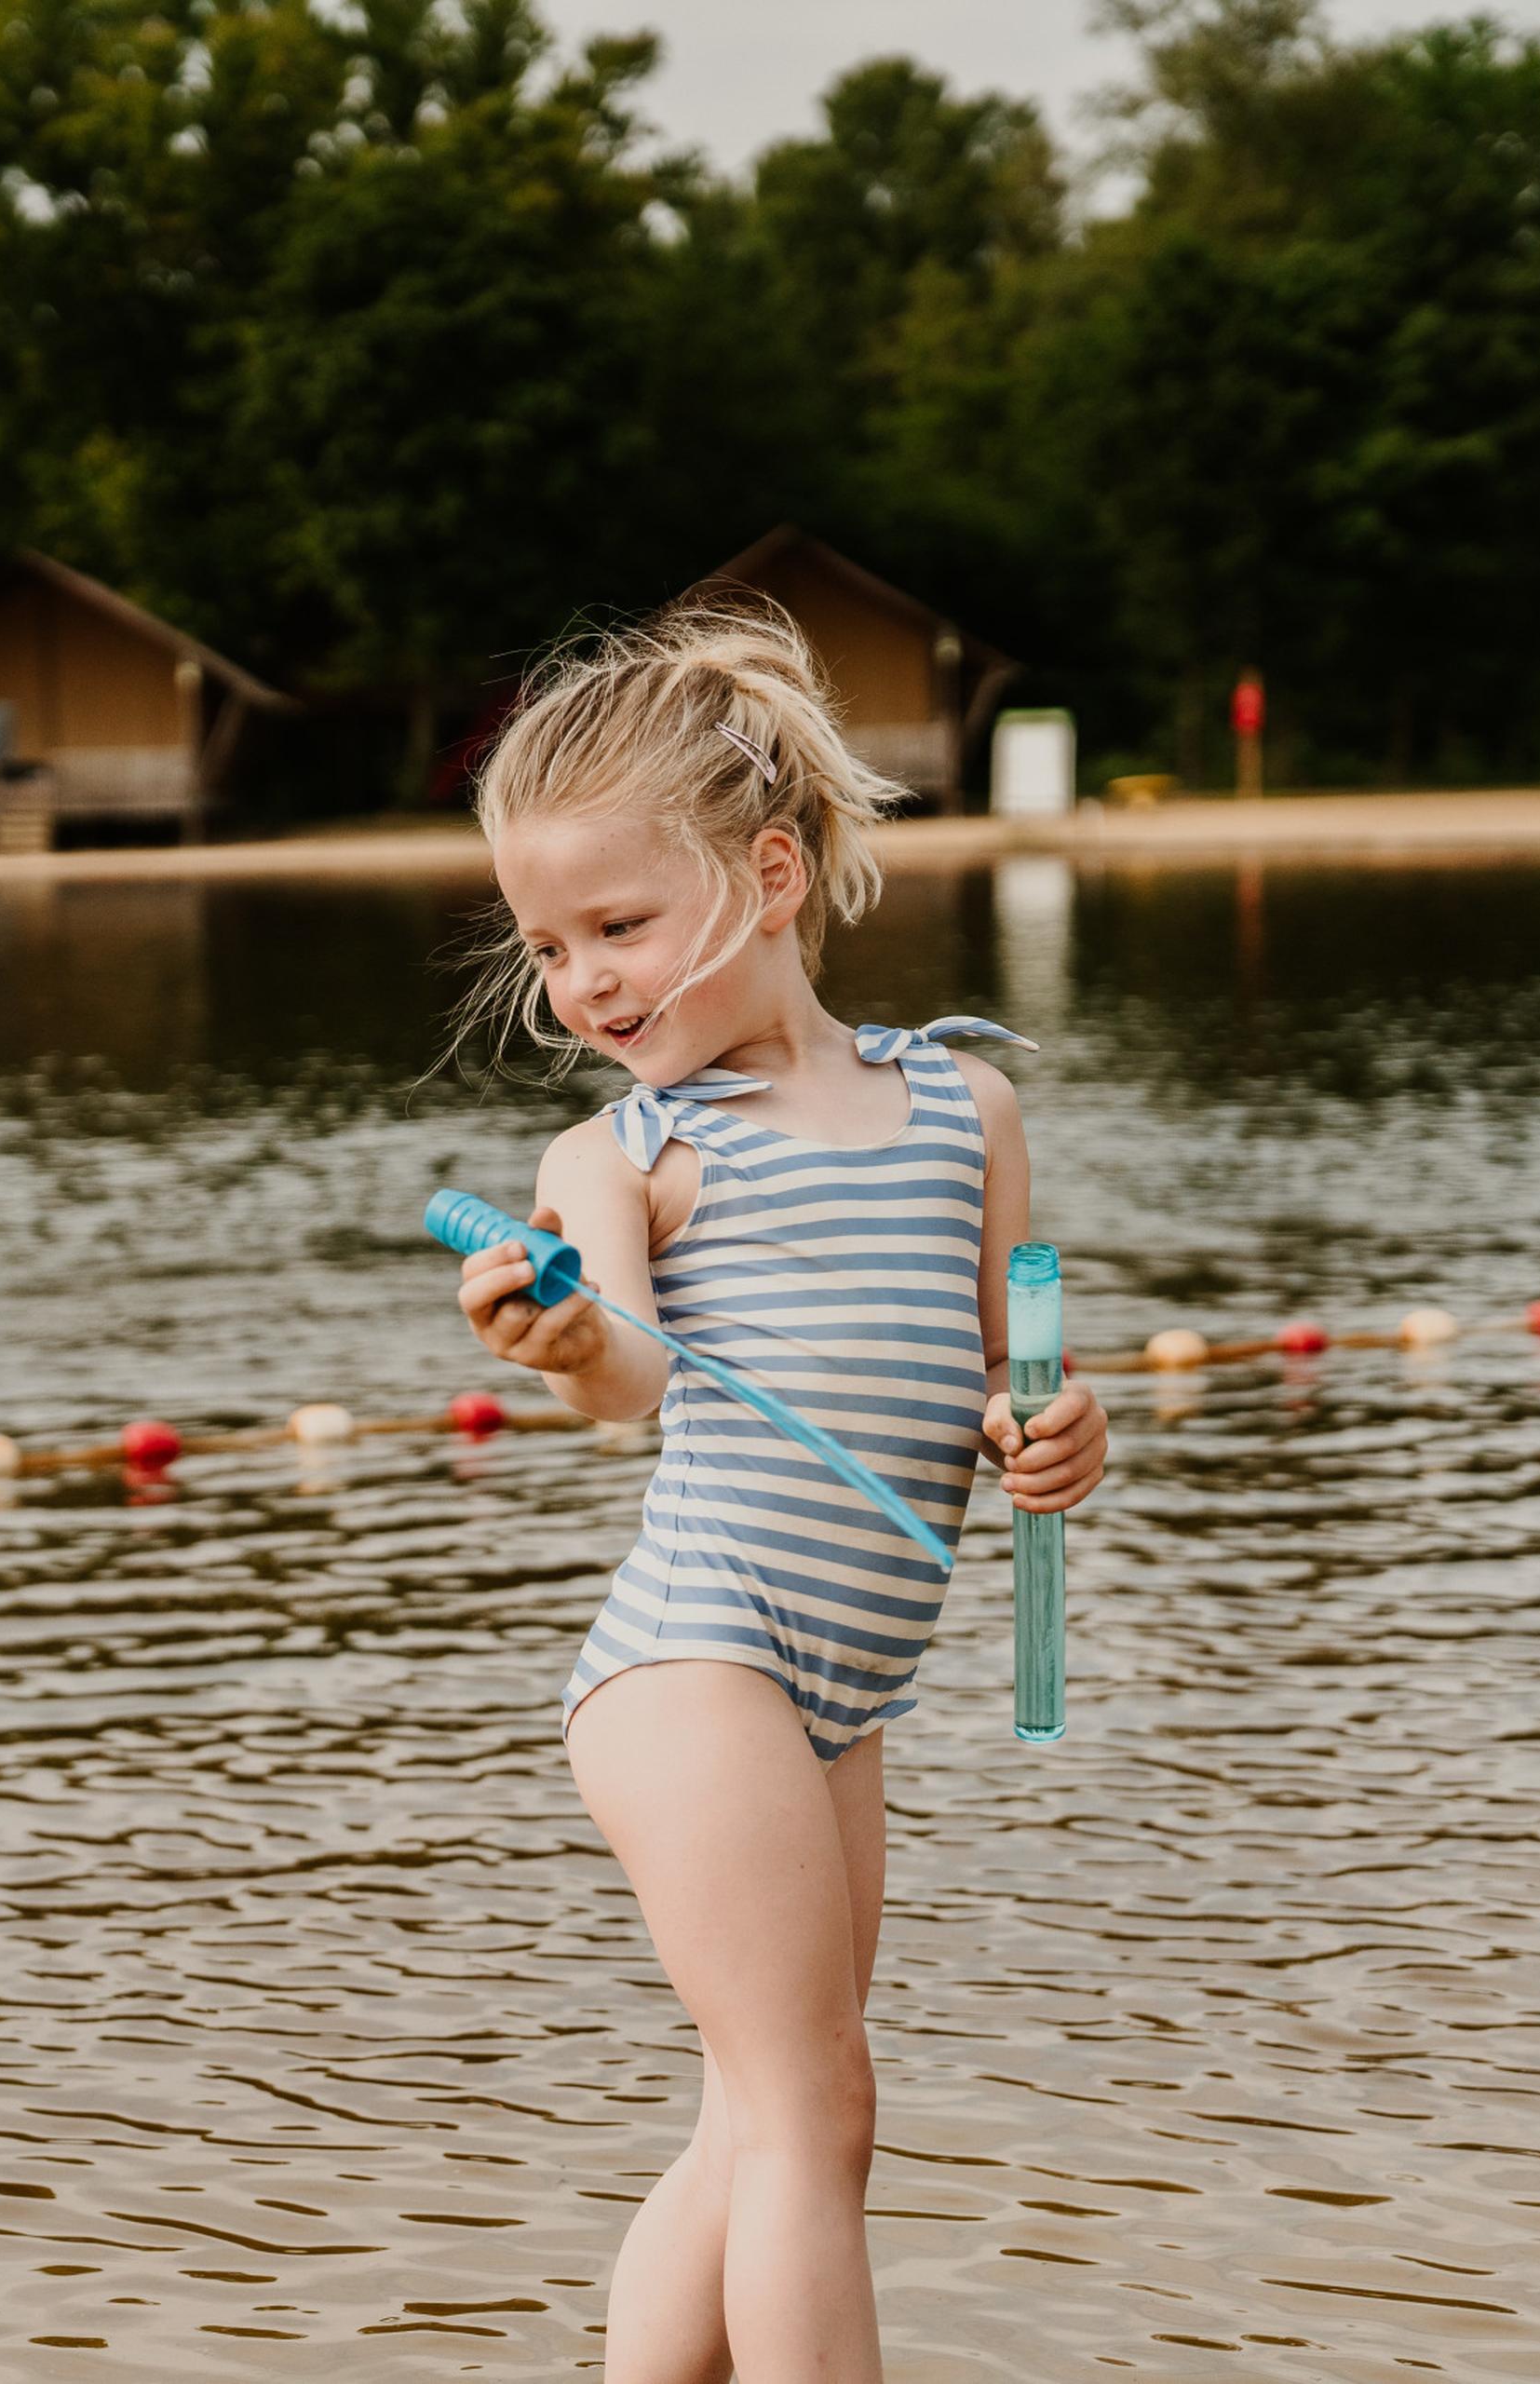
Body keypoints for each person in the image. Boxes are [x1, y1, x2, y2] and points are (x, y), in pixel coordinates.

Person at [448, 603, 1107, 2382]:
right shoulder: (626, 1152)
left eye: (619, 926)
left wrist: (1058, 1436)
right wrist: (571, 1345)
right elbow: (636, 1379)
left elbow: (1006, 1385)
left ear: (767, 874)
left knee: (764, 2118)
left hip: (847, 1693)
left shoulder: (963, 1111)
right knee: (820, 2109)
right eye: (547, 947)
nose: (580, 983)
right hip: (696, 1662)